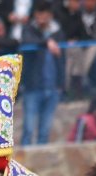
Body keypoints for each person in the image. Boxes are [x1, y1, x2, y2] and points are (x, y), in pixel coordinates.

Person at [20, 2, 65, 146]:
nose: (41, 17)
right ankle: (23, 159)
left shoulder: (58, 32)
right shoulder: (28, 30)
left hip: (52, 87)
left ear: (50, 15)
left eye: (44, 13)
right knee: (28, 129)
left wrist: (61, 83)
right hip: (33, 87)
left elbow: (62, 59)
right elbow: (27, 41)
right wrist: (46, 42)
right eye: (39, 13)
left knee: (45, 131)